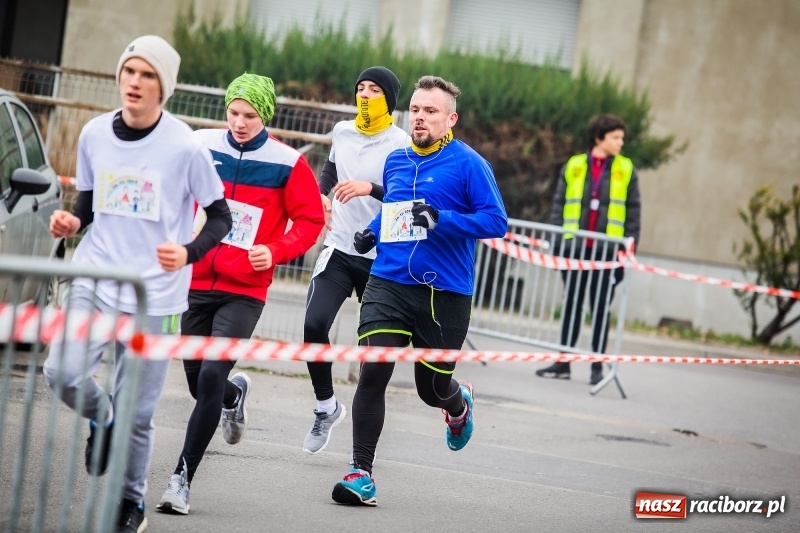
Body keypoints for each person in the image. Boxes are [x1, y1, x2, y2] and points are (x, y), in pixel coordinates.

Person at [43, 35, 232, 533]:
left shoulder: (184, 146)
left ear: (163, 86)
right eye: (130, 71)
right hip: (96, 276)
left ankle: (131, 502)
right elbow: (88, 202)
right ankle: (103, 417)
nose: (135, 82)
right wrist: (72, 222)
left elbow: (220, 217)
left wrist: (188, 252)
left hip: (157, 295)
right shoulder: (93, 134)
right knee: (61, 372)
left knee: (140, 414)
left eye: (148, 75)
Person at [331, 75, 508, 506]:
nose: (420, 117)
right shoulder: (395, 160)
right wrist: (372, 232)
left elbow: (496, 221)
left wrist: (442, 218)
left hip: (443, 291)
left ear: (451, 119)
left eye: (430, 111)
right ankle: (360, 472)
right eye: (415, 109)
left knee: (431, 389)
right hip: (389, 280)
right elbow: (395, 207)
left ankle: (457, 404)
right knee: (373, 372)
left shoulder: (469, 164)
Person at [155, 73, 325, 515]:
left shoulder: (288, 163)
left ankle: (181, 480)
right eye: (233, 113)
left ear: (265, 115)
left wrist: (276, 250)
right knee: (200, 384)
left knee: (211, 376)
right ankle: (233, 397)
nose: (240, 123)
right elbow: (171, 191)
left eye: (250, 115)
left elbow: (310, 221)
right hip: (193, 280)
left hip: (243, 290)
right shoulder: (200, 145)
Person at [302, 66, 409, 455]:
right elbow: (330, 168)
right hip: (339, 247)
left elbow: (404, 196)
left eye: (374, 90)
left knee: (372, 355)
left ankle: (362, 450)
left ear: (389, 100)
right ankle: (325, 406)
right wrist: (322, 194)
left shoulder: (402, 143)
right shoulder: (342, 131)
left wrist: (370, 188)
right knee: (314, 325)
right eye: (360, 87)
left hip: (380, 257)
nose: (364, 94)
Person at [535, 113, 641, 385]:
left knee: (600, 309)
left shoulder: (626, 168)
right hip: (575, 250)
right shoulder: (574, 165)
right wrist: (557, 243)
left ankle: (597, 368)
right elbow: (559, 205)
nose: (621, 142)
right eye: (616, 137)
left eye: (621, 138)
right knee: (572, 304)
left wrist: (628, 251)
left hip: (607, 254)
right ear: (599, 138)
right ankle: (563, 362)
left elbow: (633, 213)